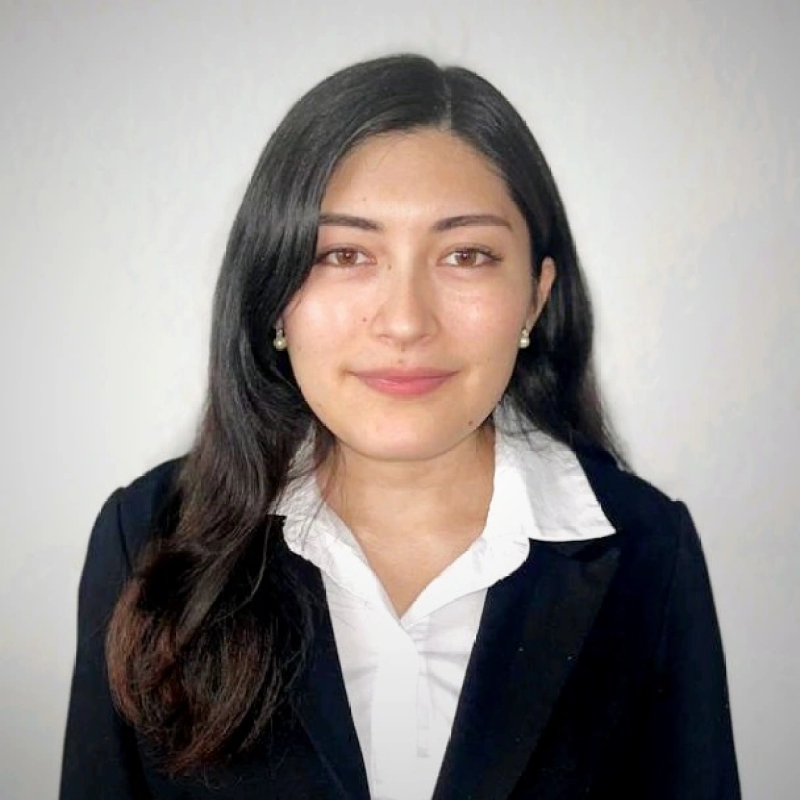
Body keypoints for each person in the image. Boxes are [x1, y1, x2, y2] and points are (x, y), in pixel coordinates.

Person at [59, 53, 740, 800]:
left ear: (536, 298)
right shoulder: (149, 538)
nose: (407, 321)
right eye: (345, 254)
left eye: (467, 255)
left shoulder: (646, 550)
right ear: (273, 295)